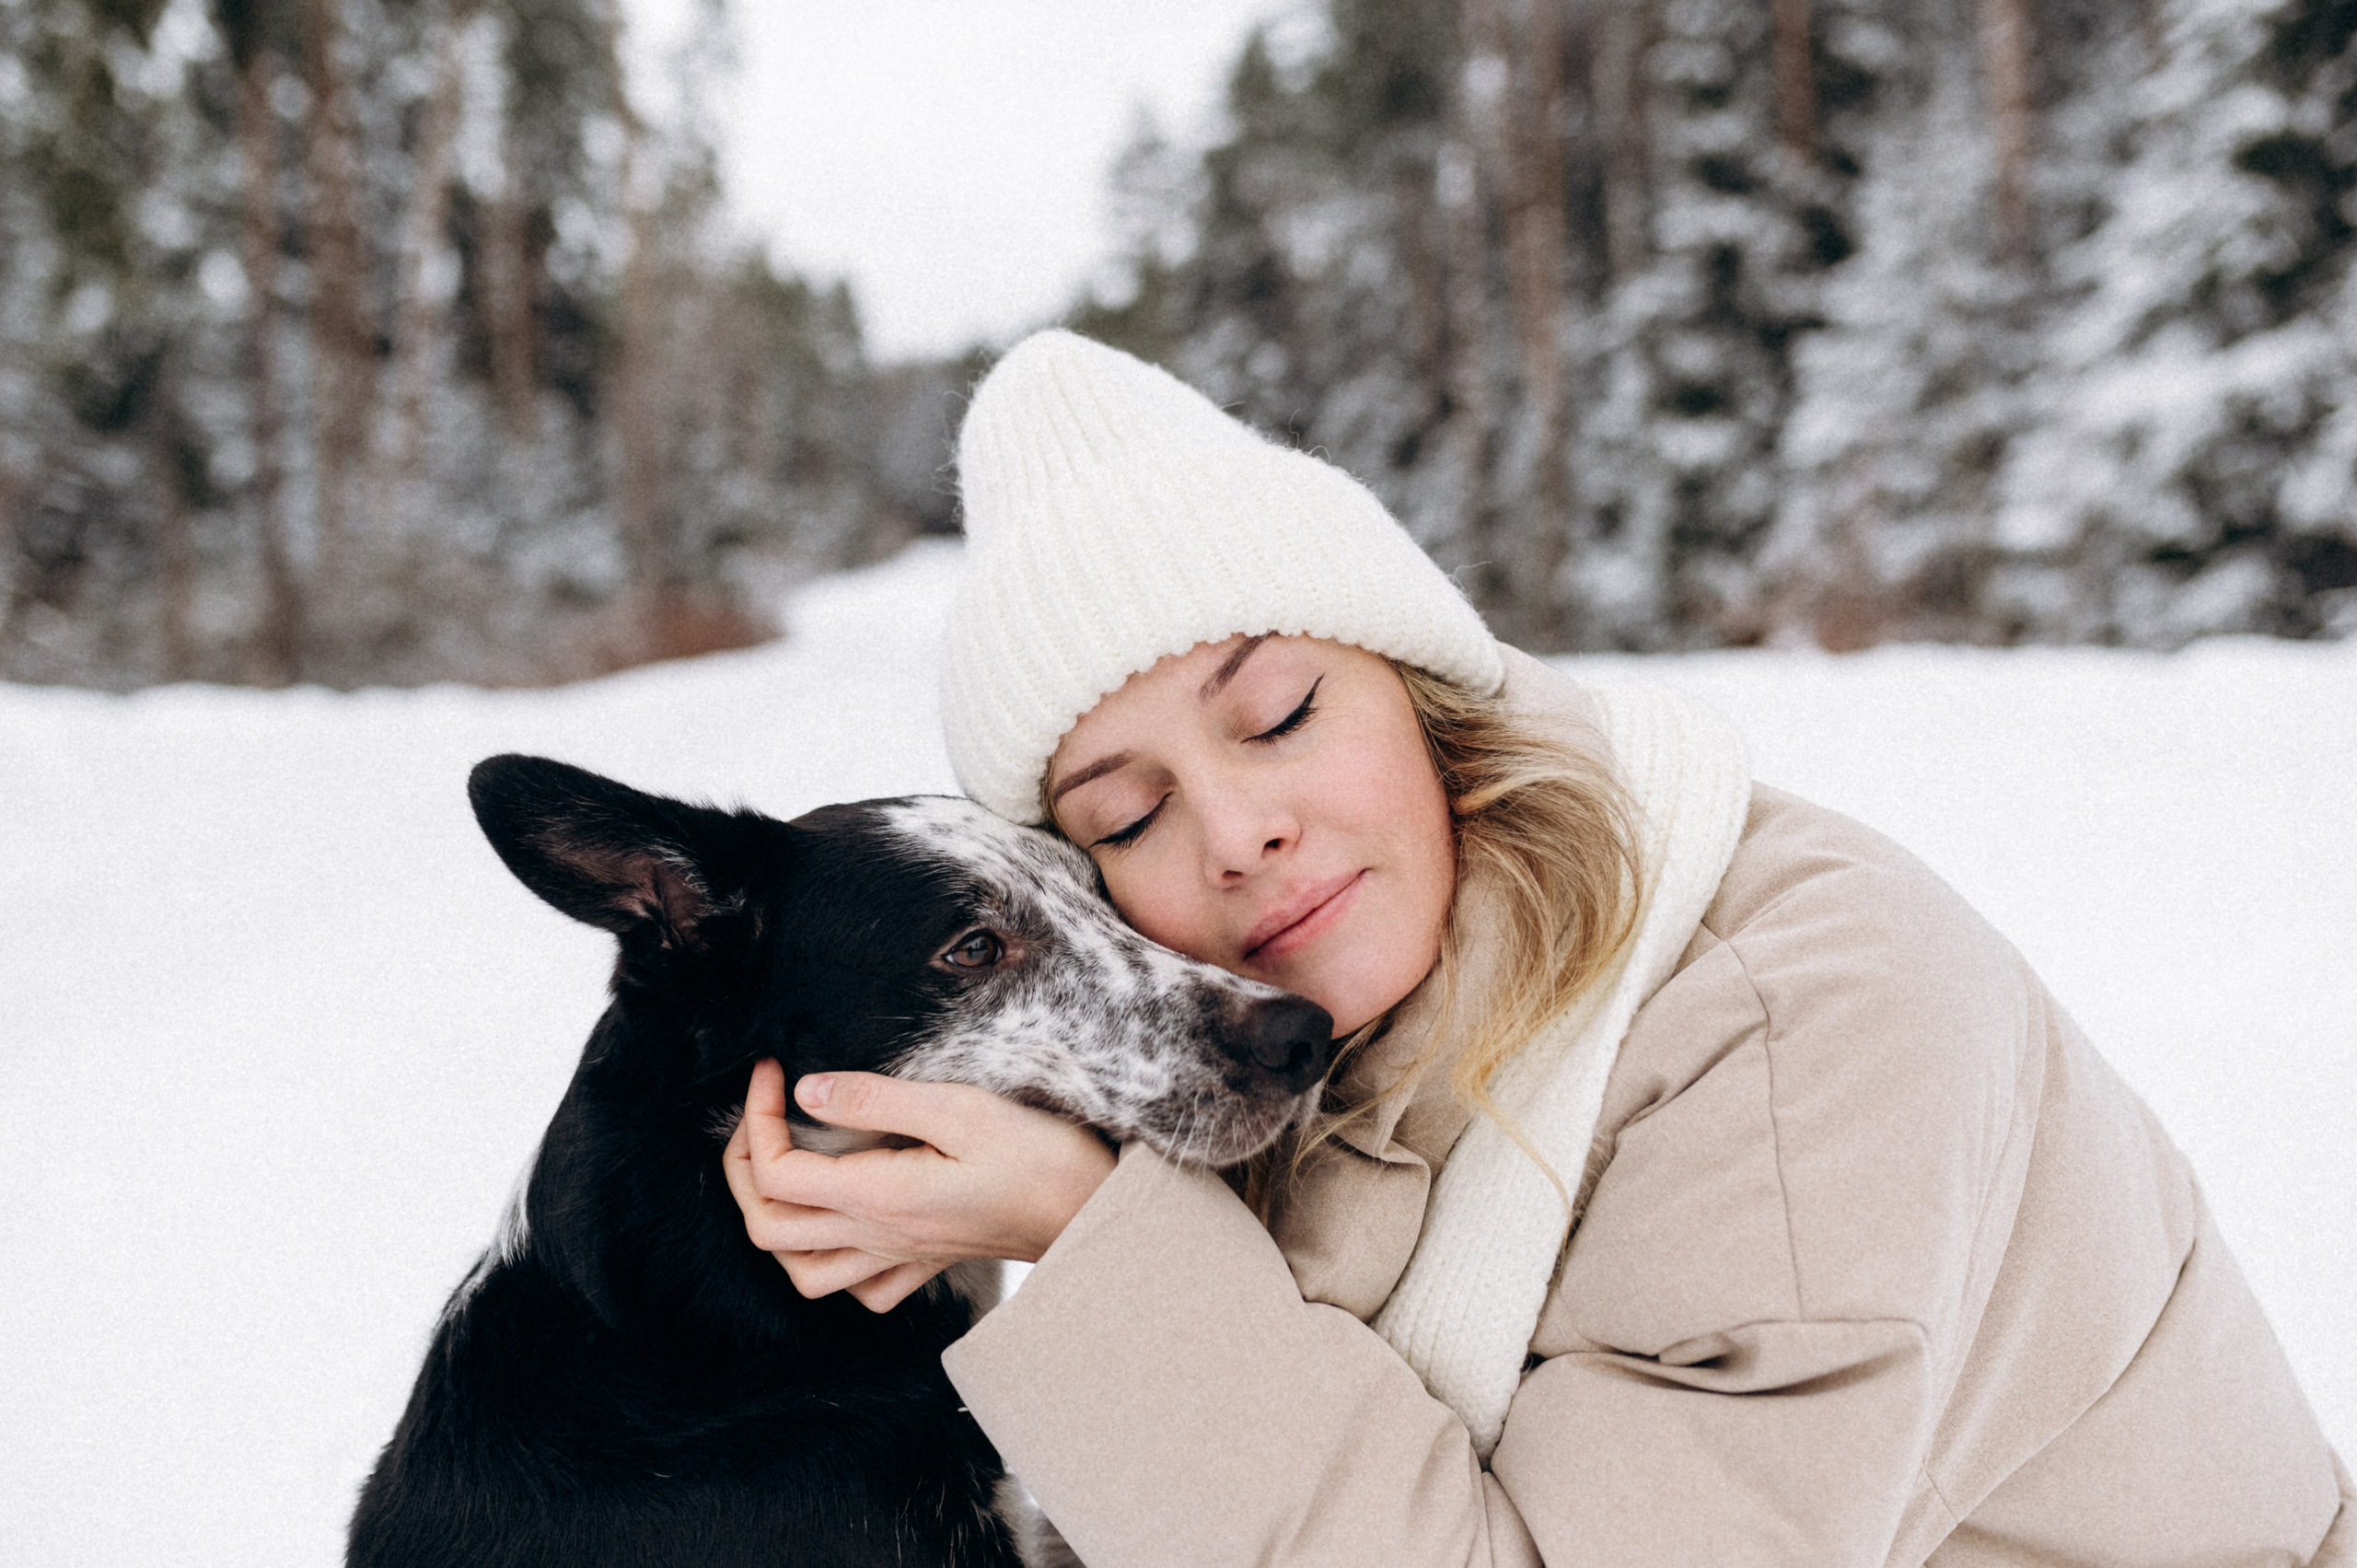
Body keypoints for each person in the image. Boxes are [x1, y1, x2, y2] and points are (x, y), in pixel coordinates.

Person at [722, 330, 2352, 1567]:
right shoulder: (1269, 1049)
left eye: (1279, 714)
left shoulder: (1801, 1020)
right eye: (1130, 817)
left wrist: (1100, 1254)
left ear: (1423, 687)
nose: (1235, 834)